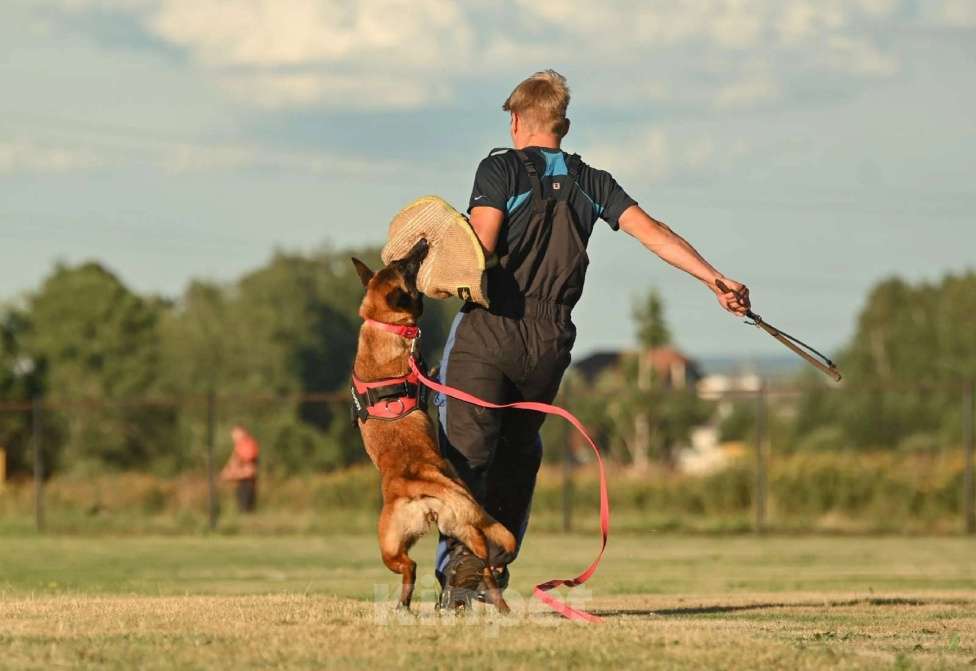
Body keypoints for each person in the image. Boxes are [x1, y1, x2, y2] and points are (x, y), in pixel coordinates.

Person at [434, 70, 751, 608]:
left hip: (491, 328)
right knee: (518, 450)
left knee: (466, 452)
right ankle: (492, 566)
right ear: (565, 125)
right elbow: (652, 232)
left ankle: (462, 577)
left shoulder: (500, 168)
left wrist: (440, 258)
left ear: (514, 120)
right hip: (550, 341)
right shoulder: (591, 181)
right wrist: (715, 279)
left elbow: (482, 246)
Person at [220, 425, 260, 513]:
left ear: (243, 433)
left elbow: (250, 470)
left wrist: (231, 475)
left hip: (247, 482)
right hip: (241, 481)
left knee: (246, 508)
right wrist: (227, 472)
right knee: (241, 506)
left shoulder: (248, 445)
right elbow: (233, 462)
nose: (234, 437)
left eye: (235, 434)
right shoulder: (239, 446)